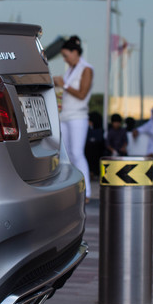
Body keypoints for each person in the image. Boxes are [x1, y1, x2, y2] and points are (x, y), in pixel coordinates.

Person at [54, 35, 94, 201]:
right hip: (65, 116)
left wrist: (64, 85)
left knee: (77, 153)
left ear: (75, 52)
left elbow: (82, 93)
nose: (65, 59)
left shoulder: (86, 69)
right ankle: (72, 189)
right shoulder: (70, 70)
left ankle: (87, 191)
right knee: (67, 155)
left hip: (78, 117)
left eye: (66, 55)